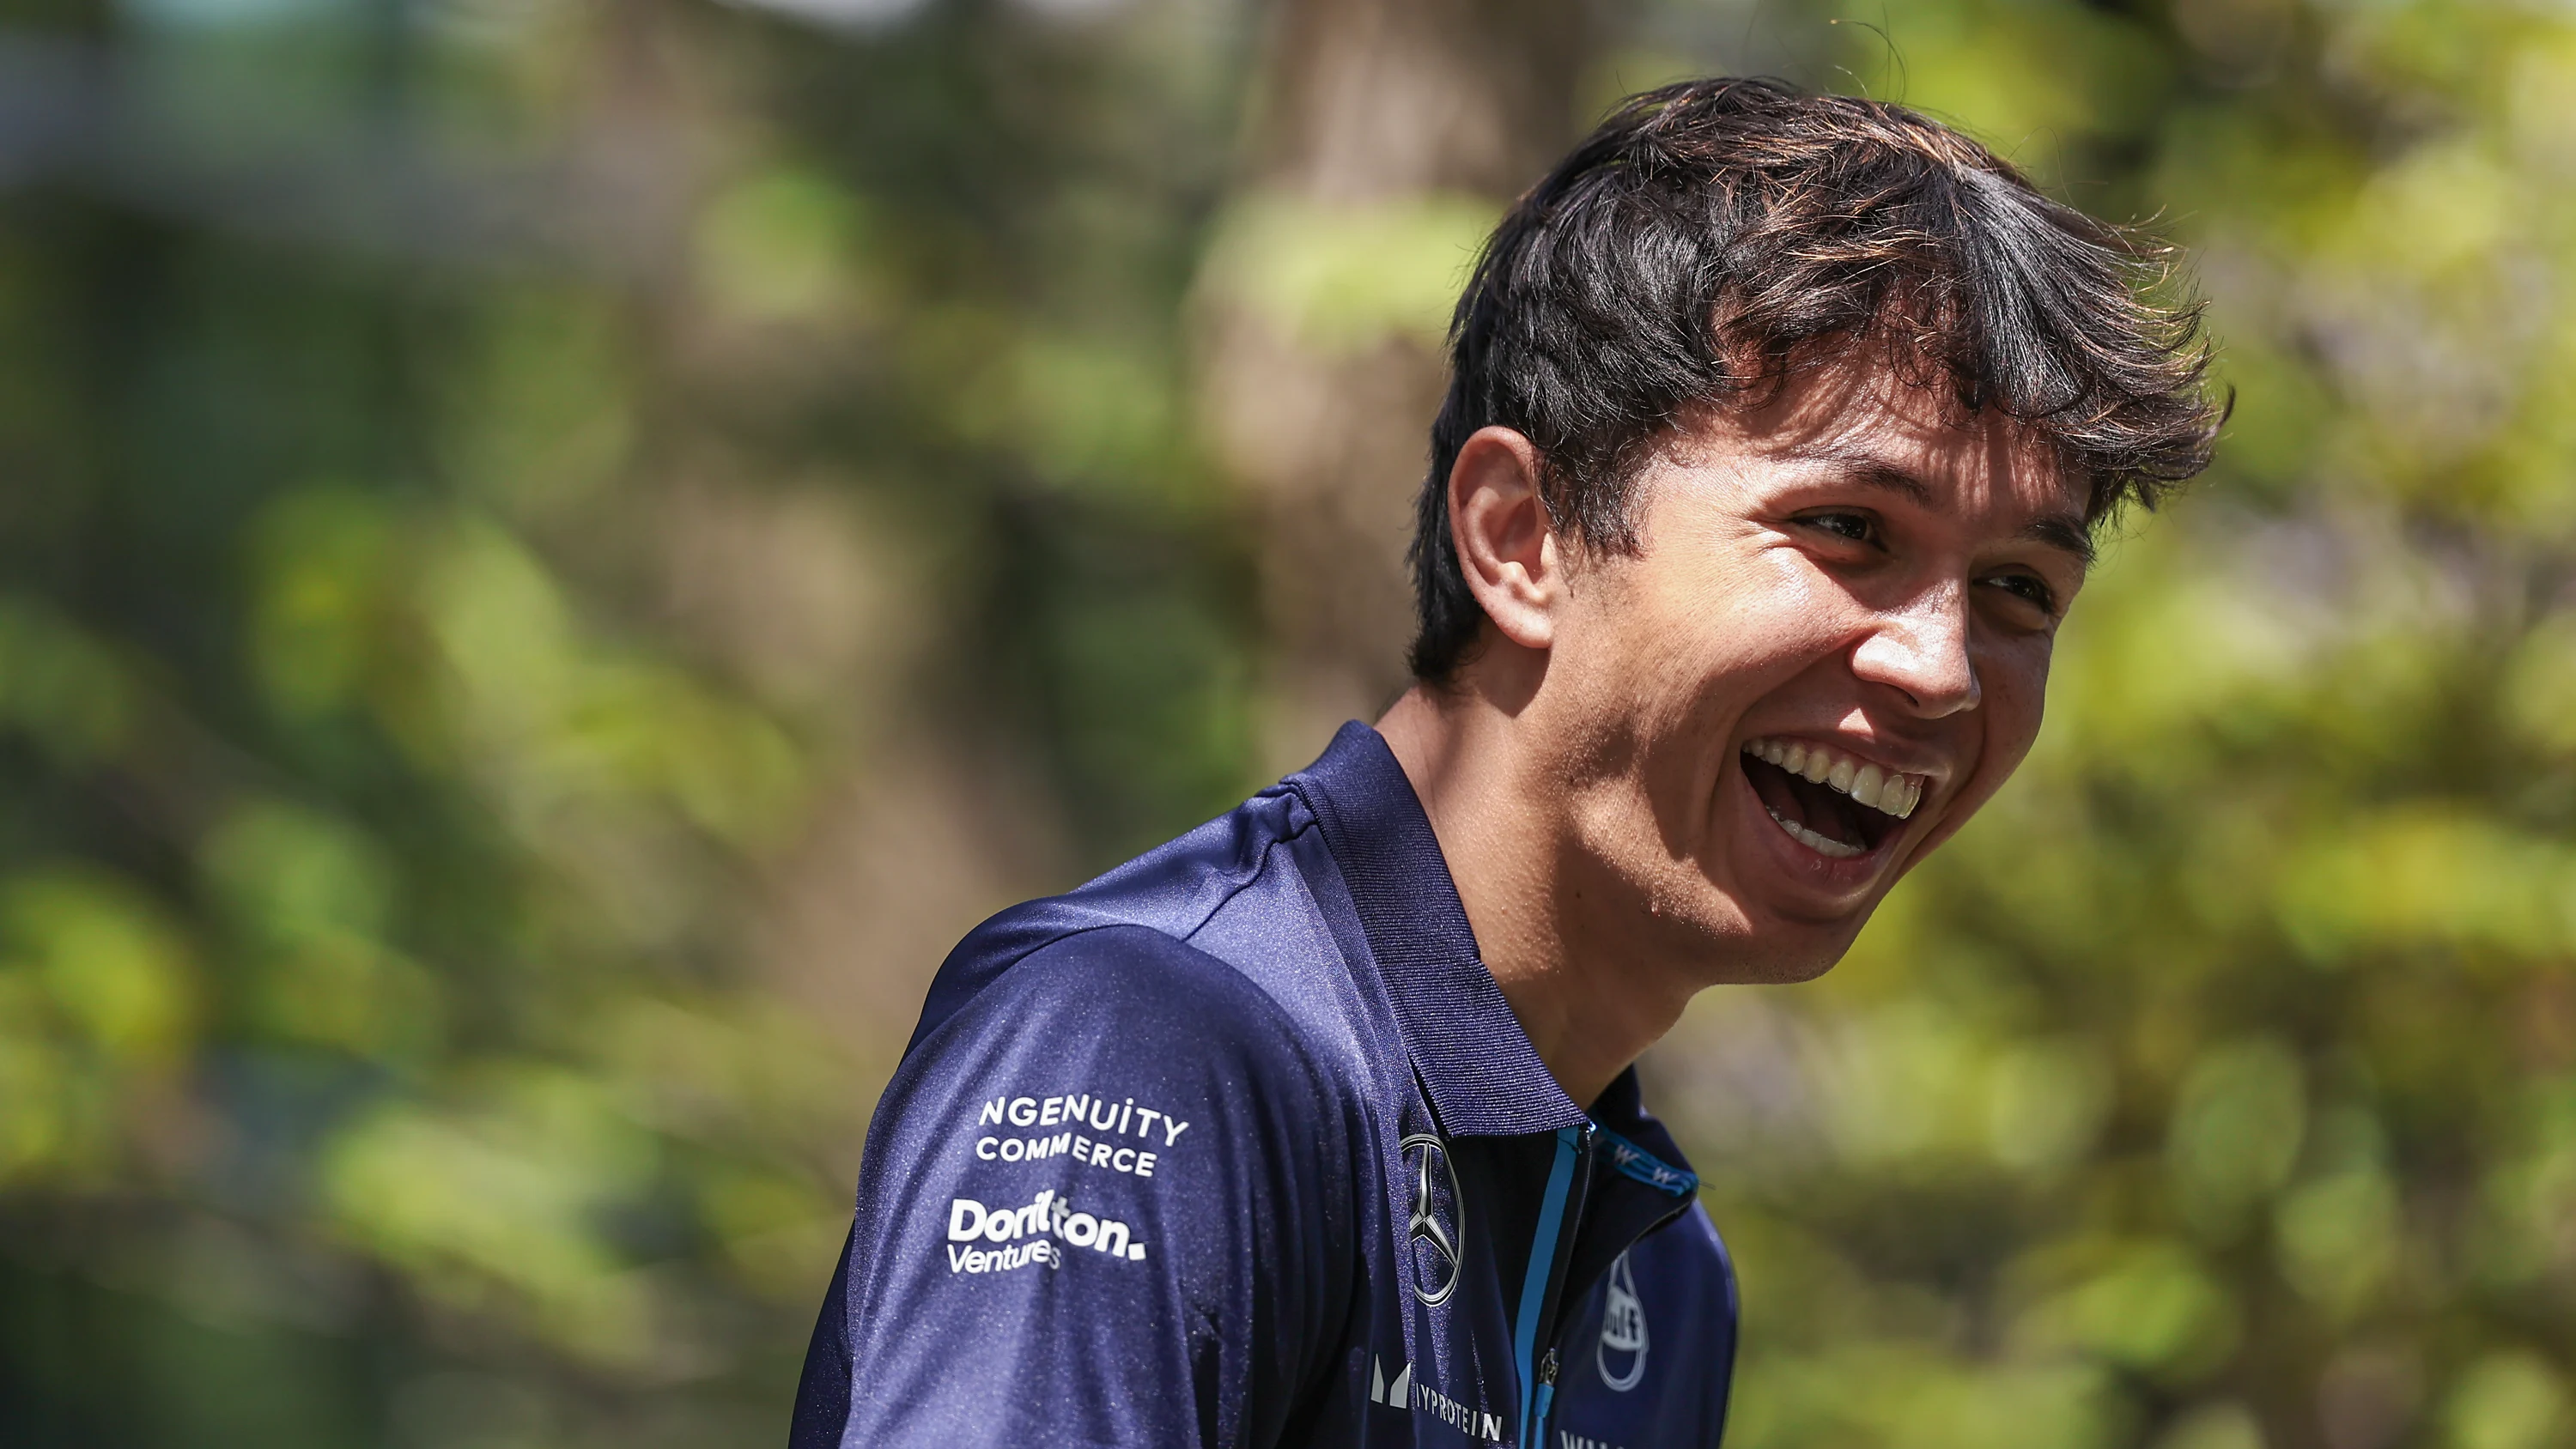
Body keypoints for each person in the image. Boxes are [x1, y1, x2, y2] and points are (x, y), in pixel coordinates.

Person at [789, 76, 2219, 1448]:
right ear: (1519, 539)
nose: (1942, 666)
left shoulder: (1662, 1277)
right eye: (1849, 531)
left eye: (2022, 591)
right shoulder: (1153, 1047)